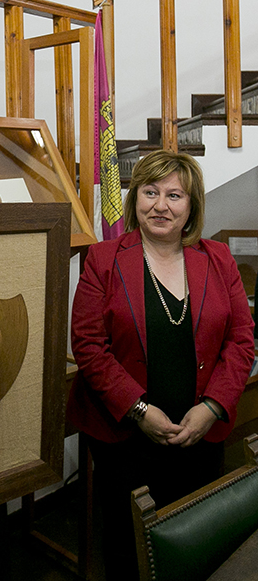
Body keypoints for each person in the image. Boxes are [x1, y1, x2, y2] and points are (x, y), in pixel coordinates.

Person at [67, 149, 254, 580]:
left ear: (191, 207)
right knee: (129, 551)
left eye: (174, 195)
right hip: (124, 436)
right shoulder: (104, 259)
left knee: (197, 541)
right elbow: (89, 345)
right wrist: (139, 410)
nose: (160, 205)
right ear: (135, 201)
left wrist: (211, 408)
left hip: (199, 433)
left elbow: (242, 341)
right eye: (149, 192)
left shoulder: (219, 259)